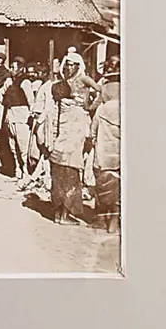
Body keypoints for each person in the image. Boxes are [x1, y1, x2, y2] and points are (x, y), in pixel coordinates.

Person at [46, 79, 90, 225]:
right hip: (71, 153)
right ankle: (65, 216)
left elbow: (50, 131)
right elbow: (86, 132)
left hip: (56, 151)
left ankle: (57, 215)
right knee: (70, 185)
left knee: (58, 184)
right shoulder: (78, 111)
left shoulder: (54, 109)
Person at [91, 95, 121, 233]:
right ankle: (114, 222)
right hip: (119, 155)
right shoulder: (125, 107)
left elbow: (93, 131)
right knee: (119, 190)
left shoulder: (102, 109)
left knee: (102, 188)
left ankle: (102, 220)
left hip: (103, 155)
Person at [2, 59, 32, 184]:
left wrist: (31, 115)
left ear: (20, 68)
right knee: (13, 147)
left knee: (23, 147)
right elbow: (2, 97)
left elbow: (30, 99)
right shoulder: (9, 82)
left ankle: (26, 173)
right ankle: (18, 171)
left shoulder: (25, 82)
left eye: (14, 67)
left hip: (21, 116)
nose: (11, 70)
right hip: (11, 116)